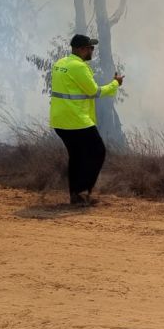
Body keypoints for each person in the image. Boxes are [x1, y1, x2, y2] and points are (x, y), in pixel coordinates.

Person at [50, 34, 124, 205]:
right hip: (76, 120)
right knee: (98, 151)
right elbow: (94, 92)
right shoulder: (79, 67)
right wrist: (115, 84)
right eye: (90, 47)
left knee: (76, 156)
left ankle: (75, 195)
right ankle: (83, 192)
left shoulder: (60, 64)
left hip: (59, 121)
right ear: (82, 49)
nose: (92, 50)